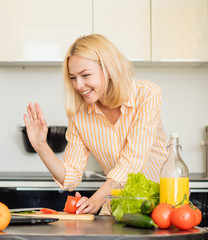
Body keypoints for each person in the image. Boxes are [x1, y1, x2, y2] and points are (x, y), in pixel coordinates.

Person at [23, 34, 168, 214]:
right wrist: (40, 145)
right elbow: (71, 177)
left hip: (163, 205)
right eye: (73, 77)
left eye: (85, 75)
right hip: (118, 209)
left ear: (108, 69)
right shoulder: (79, 113)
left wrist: (98, 198)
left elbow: (134, 159)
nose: (79, 85)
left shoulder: (147, 95)